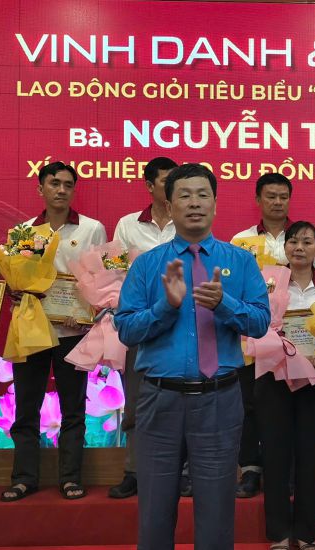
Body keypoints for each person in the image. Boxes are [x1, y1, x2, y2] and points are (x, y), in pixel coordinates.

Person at [114, 163, 271, 550]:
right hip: (158, 400)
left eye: (203, 194)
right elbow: (126, 330)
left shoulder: (241, 261)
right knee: (154, 509)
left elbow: (260, 323)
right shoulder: (148, 265)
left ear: (216, 204)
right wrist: (164, 308)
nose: (194, 203)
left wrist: (225, 304)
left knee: (217, 510)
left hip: (219, 399)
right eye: (184, 195)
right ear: (169, 204)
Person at [0, 162, 107, 503]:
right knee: (26, 407)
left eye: (68, 185)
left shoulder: (91, 229)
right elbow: (11, 279)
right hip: (31, 330)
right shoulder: (23, 232)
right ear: (40, 189)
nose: (61, 190)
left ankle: (70, 478)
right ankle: (24, 478)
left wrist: (88, 311)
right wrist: (16, 291)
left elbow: (103, 280)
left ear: (74, 190)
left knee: (74, 409)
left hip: (73, 332)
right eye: (54, 183)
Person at [257, 221, 315, 550]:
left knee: (311, 456)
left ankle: (306, 534)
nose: (299, 247)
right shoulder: (268, 282)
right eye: (293, 241)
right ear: (284, 247)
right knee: (275, 456)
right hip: (274, 380)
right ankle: (278, 533)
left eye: (307, 242)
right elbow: (255, 326)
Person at [109, 156, 178, 499]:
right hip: (142, 325)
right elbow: (113, 274)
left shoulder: (188, 221)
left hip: (182, 327)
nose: (174, 187)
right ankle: (134, 470)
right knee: (136, 401)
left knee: (183, 400)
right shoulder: (128, 225)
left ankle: (182, 472)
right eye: (167, 181)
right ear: (150, 186)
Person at [234, 173, 315, 268]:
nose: (278, 202)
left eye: (283, 197)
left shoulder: (307, 236)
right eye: (271, 197)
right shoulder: (242, 239)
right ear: (258, 200)